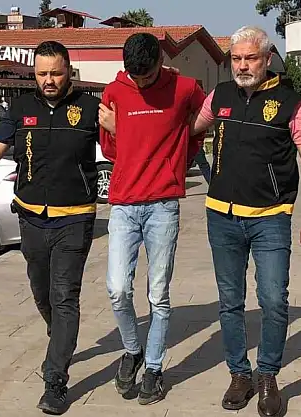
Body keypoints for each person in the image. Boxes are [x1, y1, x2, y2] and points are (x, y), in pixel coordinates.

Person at [0, 41, 100, 415]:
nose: (48, 80)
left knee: (65, 296)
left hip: (75, 217)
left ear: (69, 71)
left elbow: (123, 143)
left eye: (55, 73)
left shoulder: (89, 108)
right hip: (31, 216)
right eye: (42, 74)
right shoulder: (20, 108)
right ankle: (59, 333)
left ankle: (55, 382)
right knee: (41, 291)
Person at [190, 26, 301, 416]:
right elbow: (189, 130)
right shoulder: (220, 96)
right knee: (230, 302)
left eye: (250, 58)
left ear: (267, 59)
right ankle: (239, 375)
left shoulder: (291, 103)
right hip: (222, 216)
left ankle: (267, 376)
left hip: (271, 219)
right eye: (236, 58)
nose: (242, 65)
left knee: (273, 300)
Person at [97, 32, 206, 405]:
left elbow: (203, 122)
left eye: (147, 76)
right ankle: (133, 349)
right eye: (135, 77)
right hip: (124, 204)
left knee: (158, 294)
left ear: (161, 62)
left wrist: (180, 152)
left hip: (163, 205)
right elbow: (111, 150)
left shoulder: (186, 88)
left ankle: (155, 369)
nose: (141, 83)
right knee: (117, 289)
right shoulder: (114, 91)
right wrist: (124, 132)